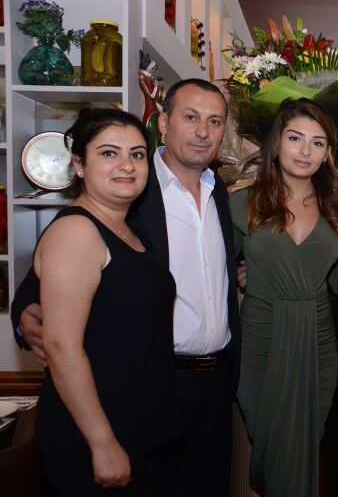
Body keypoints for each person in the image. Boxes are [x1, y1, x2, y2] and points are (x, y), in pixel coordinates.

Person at [11, 79, 241, 497]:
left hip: (213, 383)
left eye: (214, 121)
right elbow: (57, 261)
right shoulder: (131, 189)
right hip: (149, 378)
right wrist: (25, 308)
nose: (202, 131)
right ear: (164, 123)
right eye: (190, 117)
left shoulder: (220, 192)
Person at [31, 108, 177, 495]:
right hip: (95, 440)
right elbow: (61, 346)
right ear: (79, 164)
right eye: (109, 153)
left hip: (139, 432)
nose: (126, 165)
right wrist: (102, 443)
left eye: (137, 154)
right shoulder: (77, 231)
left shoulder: (126, 229)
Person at [228, 98, 338, 497]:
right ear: (276, 142)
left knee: (303, 448)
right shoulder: (241, 202)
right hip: (261, 341)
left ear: (328, 153)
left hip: (317, 343)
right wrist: (247, 271)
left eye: (318, 142)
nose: (305, 150)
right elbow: (214, 274)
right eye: (295, 138)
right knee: (272, 447)